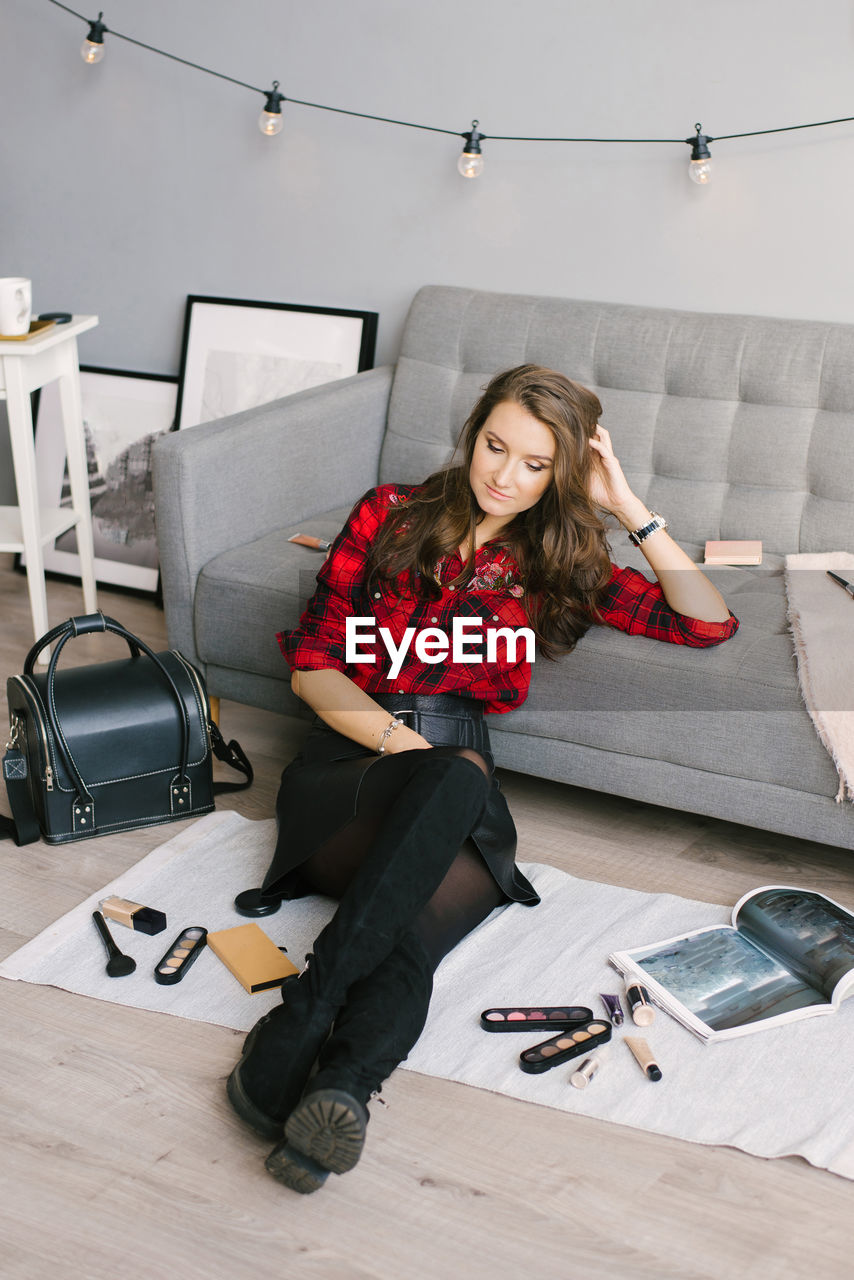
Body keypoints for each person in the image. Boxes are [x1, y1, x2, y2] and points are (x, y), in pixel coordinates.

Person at [226, 364, 739, 1193]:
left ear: (561, 473)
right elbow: (313, 668)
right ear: (473, 435)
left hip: (457, 778)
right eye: (496, 447)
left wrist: (628, 507)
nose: (505, 475)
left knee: (414, 936)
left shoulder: (555, 558)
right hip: (355, 761)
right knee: (454, 779)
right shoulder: (389, 514)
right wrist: (405, 749)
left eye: (535, 464)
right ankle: (303, 1022)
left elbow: (707, 620)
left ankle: (334, 1089)